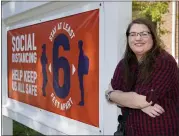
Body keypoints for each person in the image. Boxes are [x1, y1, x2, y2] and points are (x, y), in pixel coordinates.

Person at [105, 18, 179, 136]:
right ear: (128, 38)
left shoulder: (163, 61)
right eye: (133, 34)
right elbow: (117, 94)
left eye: (144, 34)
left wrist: (111, 95)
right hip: (130, 131)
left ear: (153, 37)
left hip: (161, 130)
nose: (138, 38)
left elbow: (142, 100)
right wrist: (138, 104)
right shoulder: (125, 64)